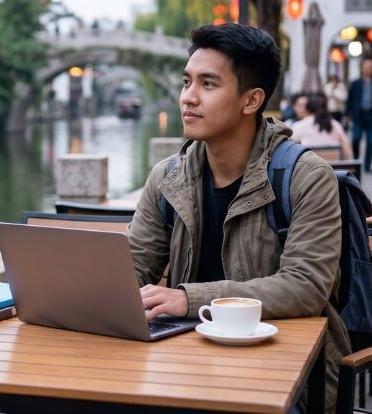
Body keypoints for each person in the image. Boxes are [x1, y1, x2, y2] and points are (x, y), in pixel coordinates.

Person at [128, 24, 349, 412]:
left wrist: (189, 298)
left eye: (208, 84)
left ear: (251, 101)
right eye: (186, 82)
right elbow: (133, 266)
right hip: (185, 361)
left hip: (287, 372)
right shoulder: (167, 177)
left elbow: (305, 287)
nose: (188, 98)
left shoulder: (305, 177)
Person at [345, 59, 372, 173]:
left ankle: (368, 165)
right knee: (356, 138)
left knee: (371, 141)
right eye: (366, 66)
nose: (368, 69)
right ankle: (357, 160)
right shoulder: (355, 83)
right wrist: (347, 114)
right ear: (362, 68)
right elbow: (350, 99)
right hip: (358, 115)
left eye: (371, 66)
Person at [292, 95, 354, 159]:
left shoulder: (298, 126)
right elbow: (348, 153)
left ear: (307, 110)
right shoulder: (335, 125)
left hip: (309, 167)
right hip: (333, 167)